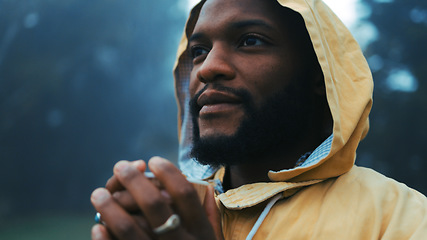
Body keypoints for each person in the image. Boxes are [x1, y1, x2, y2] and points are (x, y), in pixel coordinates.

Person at [90, 0, 427, 239]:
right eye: (198, 51)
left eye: (250, 41)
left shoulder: (402, 219)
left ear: (319, 75)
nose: (207, 68)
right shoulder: (166, 210)